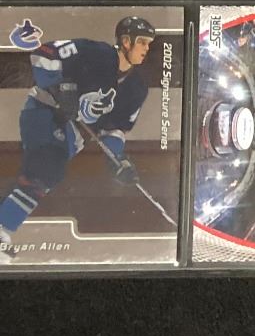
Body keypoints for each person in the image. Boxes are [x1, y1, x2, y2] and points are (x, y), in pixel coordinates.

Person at [0, 15, 159, 260]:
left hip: (72, 136)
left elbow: (115, 129)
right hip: (44, 111)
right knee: (46, 169)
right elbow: (44, 53)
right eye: (142, 42)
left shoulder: (137, 88)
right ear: (126, 41)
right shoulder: (94, 52)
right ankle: (3, 228)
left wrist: (117, 160)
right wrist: (60, 88)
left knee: (41, 178)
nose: (146, 48)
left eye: (149, 43)